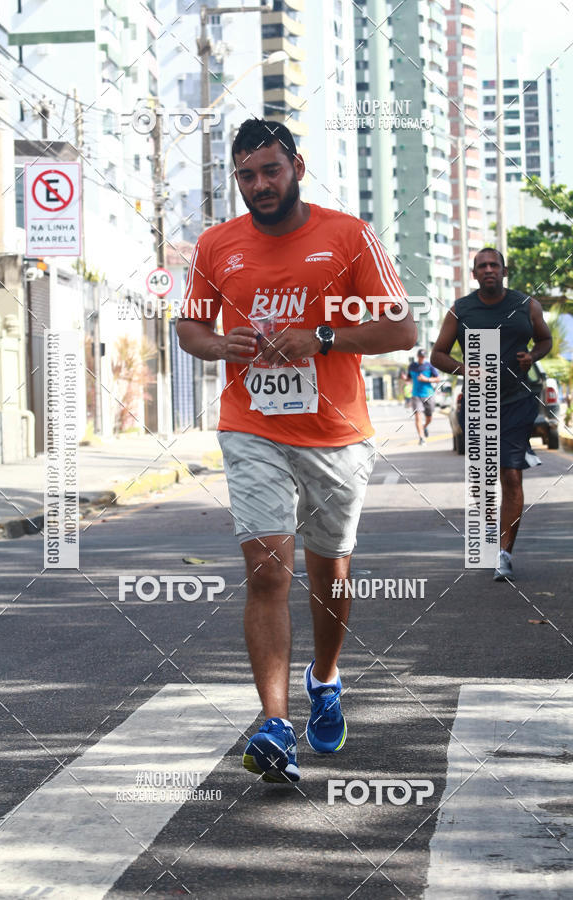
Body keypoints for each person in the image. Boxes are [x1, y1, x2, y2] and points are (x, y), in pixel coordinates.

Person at [177, 118, 417, 783]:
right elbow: (190, 326)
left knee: (329, 575)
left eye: (270, 171)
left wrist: (324, 337)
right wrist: (217, 345)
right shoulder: (215, 245)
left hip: (336, 433)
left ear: (297, 167)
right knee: (266, 569)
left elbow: (402, 325)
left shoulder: (348, 236)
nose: (259, 185)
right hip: (250, 423)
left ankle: (327, 676)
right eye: (246, 175)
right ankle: (276, 725)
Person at [431, 247, 552, 582]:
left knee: (511, 474)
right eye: (482, 266)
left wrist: (533, 356)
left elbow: (545, 340)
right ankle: (487, 540)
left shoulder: (526, 305)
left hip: (517, 401)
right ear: (474, 274)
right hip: (480, 403)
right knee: (485, 479)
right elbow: (437, 355)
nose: (488, 270)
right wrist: (465, 370)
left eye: (493, 265)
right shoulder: (461, 310)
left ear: (504, 270)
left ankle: (503, 553)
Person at [407, 348, 442, 444]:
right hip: (416, 395)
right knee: (418, 416)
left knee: (429, 417)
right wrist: (405, 379)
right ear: (417, 356)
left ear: (425, 357)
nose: (421, 358)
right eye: (420, 356)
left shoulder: (429, 366)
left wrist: (426, 379)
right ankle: (422, 438)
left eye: (423, 357)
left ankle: (424, 426)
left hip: (428, 395)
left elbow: (438, 378)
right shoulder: (412, 366)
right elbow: (409, 378)